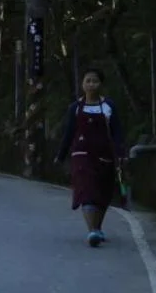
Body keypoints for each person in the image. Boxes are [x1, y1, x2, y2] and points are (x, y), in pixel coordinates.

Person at [54, 67, 126, 247]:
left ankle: (97, 228)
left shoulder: (109, 106)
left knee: (103, 192)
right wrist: (61, 155)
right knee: (86, 190)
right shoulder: (75, 108)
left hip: (104, 155)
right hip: (81, 154)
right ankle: (92, 231)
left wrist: (121, 153)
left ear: (101, 84)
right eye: (88, 81)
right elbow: (68, 133)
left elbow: (117, 132)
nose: (91, 84)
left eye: (95, 81)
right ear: (82, 84)